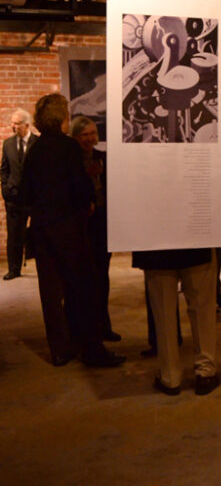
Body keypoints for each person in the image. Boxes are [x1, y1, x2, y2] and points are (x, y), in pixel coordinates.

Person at [19, 93, 125, 368]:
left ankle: (60, 351)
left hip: (42, 230)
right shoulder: (68, 148)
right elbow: (80, 187)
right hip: (68, 229)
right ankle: (92, 350)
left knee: (51, 295)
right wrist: (88, 201)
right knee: (84, 288)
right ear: (61, 118)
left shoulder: (34, 149)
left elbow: (25, 193)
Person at [133, 248, 218, 396]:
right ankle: (206, 371)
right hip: (197, 239)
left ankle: (170, 377)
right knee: (202, 307)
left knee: (163, 313)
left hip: (155, 248)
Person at [69, 116, 120, 342]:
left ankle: (104, 326)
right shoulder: (71, 161)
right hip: (82, 224)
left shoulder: (103, 157)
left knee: (103, 276)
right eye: (85, 134)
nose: (90, 138)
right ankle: (83, 331)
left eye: (93, 134)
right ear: (76, 136)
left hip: (102, 222)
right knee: (84, 279)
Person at [1, 108, 35, 279]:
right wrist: (5, 189)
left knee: (41, 233)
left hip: (34, 199)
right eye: (12, 122)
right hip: (14, 198)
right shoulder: (7, 144)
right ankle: (14, 269)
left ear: (27, 125)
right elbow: (4, 170)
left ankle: (45, 266)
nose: (13, 126)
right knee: (14, 235)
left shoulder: (37, 143)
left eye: (16, 123)